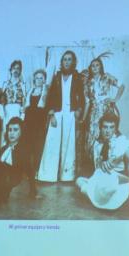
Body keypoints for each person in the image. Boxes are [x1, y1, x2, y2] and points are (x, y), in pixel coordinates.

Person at [75, 112, 129, 209]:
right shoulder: (96, 144)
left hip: (118, 180)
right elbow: (97, 168)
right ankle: (98, 196)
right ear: (100, 128)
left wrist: (114, 158)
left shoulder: (120, 141)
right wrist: (101, 164)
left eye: (111, 127)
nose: (108, 131)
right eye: (105, 127)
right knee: (79, 180)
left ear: (116, 129)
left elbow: (124, 146)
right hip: (104, 181)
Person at [38, 50, 85, 182]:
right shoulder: (56, 77)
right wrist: (51, 114)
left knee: (68, 145)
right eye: (64, 59)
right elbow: (51, 97)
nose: (67, 62)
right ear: (61, 62)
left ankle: (67, 176)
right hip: (57, 112)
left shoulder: (77, 77)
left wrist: (79, 110)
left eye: (69, 59)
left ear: (73, 62)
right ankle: (47, 175)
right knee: (51, 142)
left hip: (70, 113)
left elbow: (81, 97)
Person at [82, 56, 125, 175]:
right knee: (92, 137)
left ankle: (108, 167)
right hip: (94, 112)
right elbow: (87, 101)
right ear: (90, 68)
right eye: (93, 66)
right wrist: (83, 118)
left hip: (106, 111)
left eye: (97, 65)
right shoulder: (88, 82)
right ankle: (95, 167)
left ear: (100, 67)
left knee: (107, 135)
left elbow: (122, 85)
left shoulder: (107, 77)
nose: (95, 67)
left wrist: (115, 99)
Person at [23, 69, 49, 198]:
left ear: (44, 79)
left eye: (41, 78)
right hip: (28, 124)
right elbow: (26, 108)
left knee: (37, 150)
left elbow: (45, 108)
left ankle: (36, 174)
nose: (39, 80)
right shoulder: (30, 92)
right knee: (28, 150)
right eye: (37, 78)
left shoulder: (46, 92)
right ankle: (30, 175)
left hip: (39, 124)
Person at [2, 60, 26, 129]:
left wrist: (23, 112)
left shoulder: (23, 85)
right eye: (14, 68)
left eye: (18, 68)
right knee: (6, 130)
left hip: (18, 110)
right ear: (11, 70)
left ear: (20, 71)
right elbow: (2, 99)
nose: (16, 70)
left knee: (17, 129)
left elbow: (25, 98)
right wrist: (3, 112)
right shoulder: (5, 84)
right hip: (7, 110)